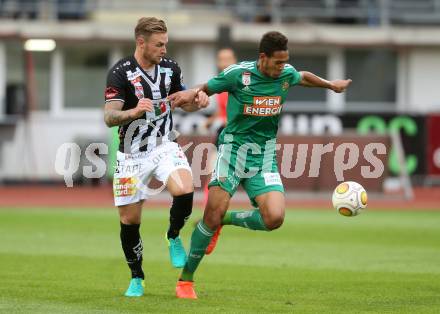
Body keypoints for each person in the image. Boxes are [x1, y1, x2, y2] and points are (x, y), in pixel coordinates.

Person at [170, 31, 352, 299]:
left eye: (285, 62)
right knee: (210, 214)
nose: (282, 67)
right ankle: (186, 280)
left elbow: (302, 76)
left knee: (274, 218)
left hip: (264, 155)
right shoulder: (238, 74)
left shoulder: (286, 74)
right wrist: (190, 94)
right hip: (232, 151)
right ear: (263, 58)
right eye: (278, 62)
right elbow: (207, 87)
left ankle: (226, 221)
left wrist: (331, 85)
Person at [103, 17, 209, 297]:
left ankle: (173, 235)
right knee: (130, 221)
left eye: (166, 43)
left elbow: (181, 103)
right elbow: (109, 117)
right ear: (141, 42)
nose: (164, 49)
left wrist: (198, 102)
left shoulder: (171, 68)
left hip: (164, 145)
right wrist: (133, 112)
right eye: (159, 44)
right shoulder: (120, 72)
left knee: (185, 189)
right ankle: (137, 277)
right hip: (131, 156)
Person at [202, 48, 237, 220]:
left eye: (228, 58)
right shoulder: (221, 83)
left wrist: (227, 120)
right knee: (214, 174)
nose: (225, 62)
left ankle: (215, 213)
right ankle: (209, 212)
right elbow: (223, 110)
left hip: (235, 133)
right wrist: (212, 119)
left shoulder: (238, 83)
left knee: (222, 176)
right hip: (223, 132)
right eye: (222, 59)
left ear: (234, 60)